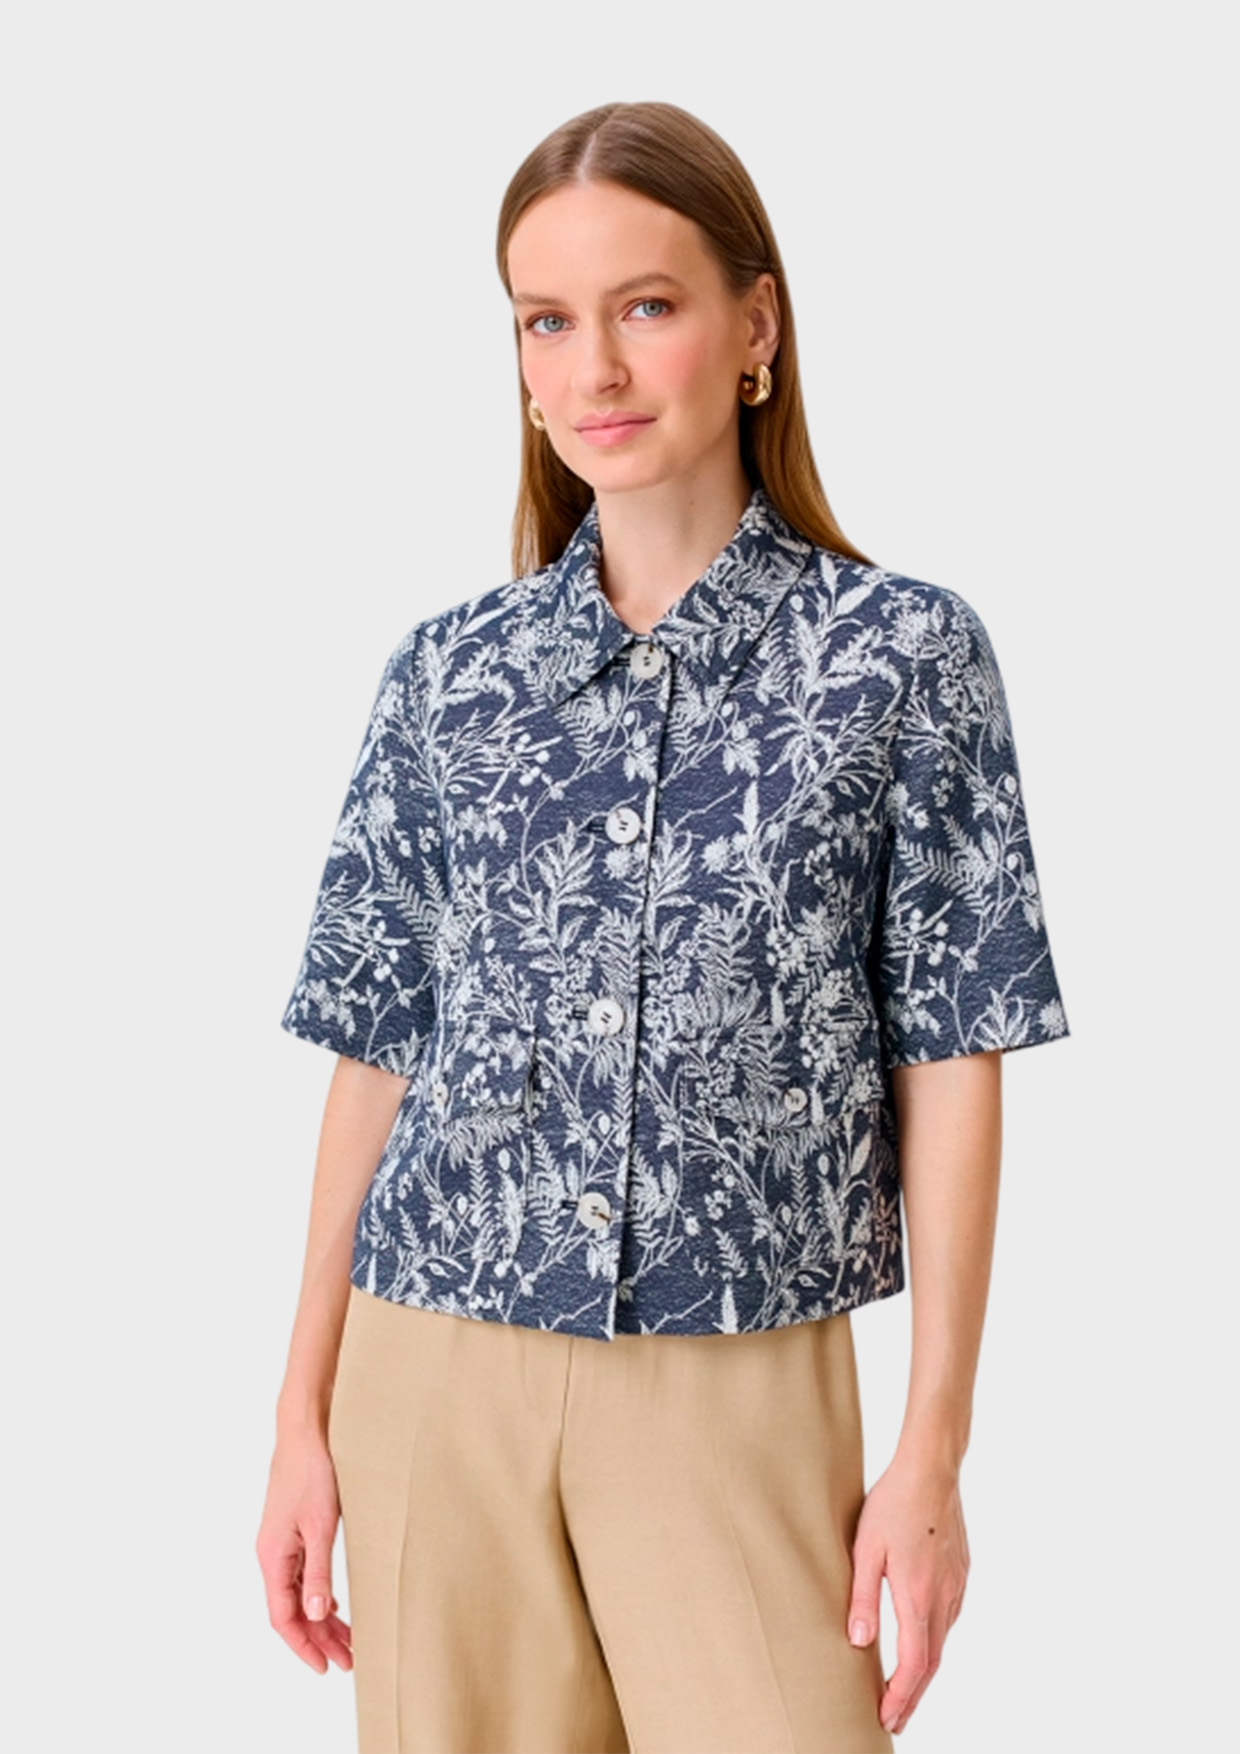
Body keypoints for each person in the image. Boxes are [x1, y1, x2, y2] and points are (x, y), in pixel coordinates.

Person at [256, 100, 1069, 1754]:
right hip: (434, 1367)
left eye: (646, 305)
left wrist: (933, 1449)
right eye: (547, 321)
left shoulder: (902, 658)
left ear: (757, 325)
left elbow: (955, 1059)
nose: (597, 370)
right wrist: (299, 1409)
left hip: (741, 1378)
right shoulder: (448, 676)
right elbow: (376, 1052)